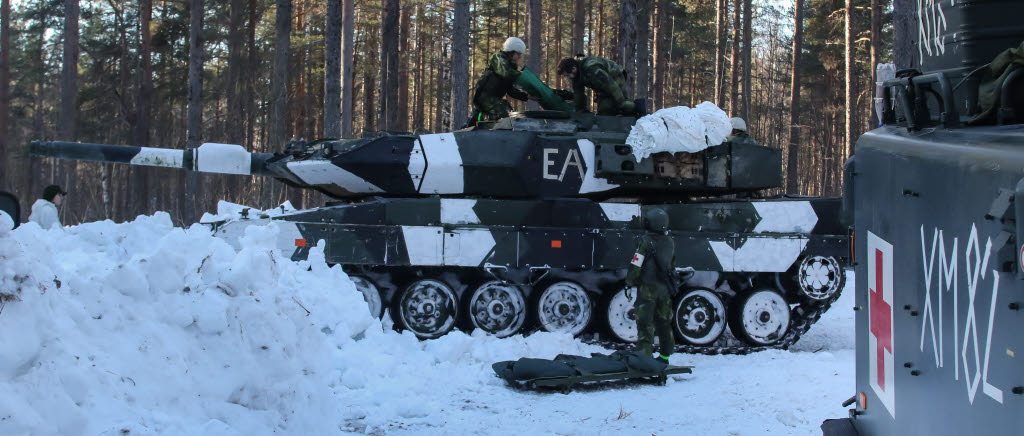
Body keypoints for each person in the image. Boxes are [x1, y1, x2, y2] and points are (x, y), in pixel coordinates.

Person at [624, 208, 676, 362]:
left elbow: (636, 264)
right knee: (664, 323)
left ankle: (645, 358)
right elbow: (672, 266)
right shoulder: (670, 242)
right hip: (664, 289)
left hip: (648, 288)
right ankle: (665, 356)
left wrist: (629, 281)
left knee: (645, 323)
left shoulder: (645, 241)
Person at [471, 37, 533, 123]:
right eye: (518, 54)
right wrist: (522, 75)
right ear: (511, 51)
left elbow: (510, 89)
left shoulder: (511, 67)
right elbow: (505, 72)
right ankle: (477, 120)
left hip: (495, 99)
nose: (519, 57)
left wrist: (526, 96)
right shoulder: (499, 58)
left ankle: (481, 120)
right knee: (502, 115)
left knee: (511, 114)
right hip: (484, 97)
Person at [556, 55, 637, 116]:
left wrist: (621, 102)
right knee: (603, 112)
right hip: (604, 84)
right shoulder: (576, 76)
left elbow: (611, 85)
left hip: (616, 77)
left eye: (567, 75)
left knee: (613, 106)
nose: (568, 77)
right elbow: (578, 95)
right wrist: (580, 111)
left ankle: (636, 109)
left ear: (573, 68)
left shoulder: (591, 69)